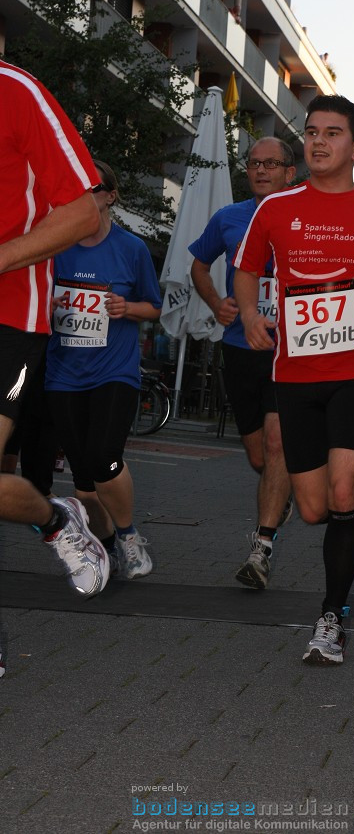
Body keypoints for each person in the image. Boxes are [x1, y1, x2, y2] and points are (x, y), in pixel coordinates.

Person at [234, 95, 354, 665]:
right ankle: (350, 513)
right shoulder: (275, 209)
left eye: (333, 133)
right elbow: (247, 271)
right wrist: (249, 312)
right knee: (315, 509)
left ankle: (330, 618)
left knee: (343, 494)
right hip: (294, 373)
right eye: (312, 132)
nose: (318, 141)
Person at [0, 59, 110, 606]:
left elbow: (83, 213)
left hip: (11, 315)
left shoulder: (15, 91)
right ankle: (54, 517)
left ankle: (54, 518)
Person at [188, 137, 296, 590]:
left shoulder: (305, 218)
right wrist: (217, 302)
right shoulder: (228, 218)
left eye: (271, 163)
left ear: (291, 172)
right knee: (260, 455)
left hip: (289, 353)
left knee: (276, 444)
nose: (261, 170)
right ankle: (283, 489)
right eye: (254, 163)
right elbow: (198, 264)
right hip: (239, 348)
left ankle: (261, 548)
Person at [45, 160, 161, 579]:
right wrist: (50, 306)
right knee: (82, 476)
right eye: (75, 189)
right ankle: (107, 547)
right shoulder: (54, 246)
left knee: (105, 457)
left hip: (114, 371)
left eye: (91, 189)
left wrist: (127, 308)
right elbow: (32, 302)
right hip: (63, 373)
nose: (83, 197)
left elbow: (155, 306)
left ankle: (129, 536)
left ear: (110, 196)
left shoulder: (131, 249)